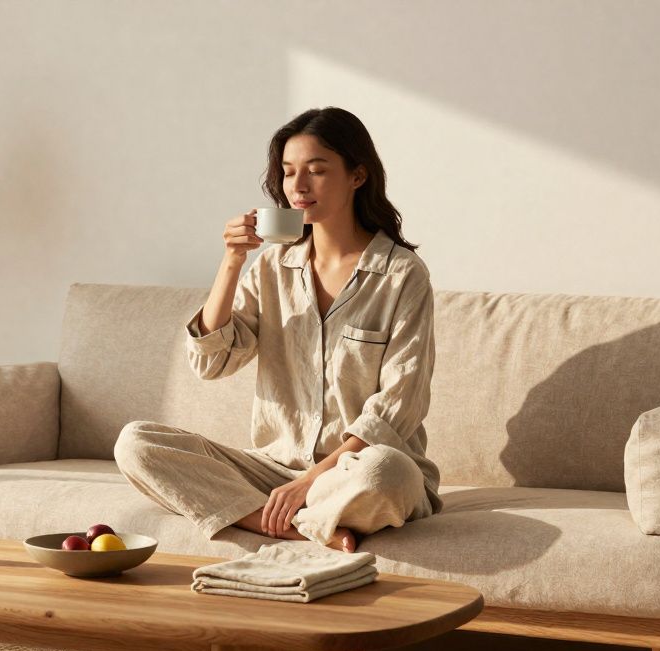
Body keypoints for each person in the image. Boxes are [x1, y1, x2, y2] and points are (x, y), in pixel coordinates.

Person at [114, 107, 442, 553]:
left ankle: (286, 511)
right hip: (274, 469)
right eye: (288, 173)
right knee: (136, 443)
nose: (298, 187)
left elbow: (399, 405)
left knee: (388, 472)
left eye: (317, 170)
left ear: (357, 176)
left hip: (354, 469)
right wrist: (232, 261)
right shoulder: (272, 266)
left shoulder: (402, 274)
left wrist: (311, 481)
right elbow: (211, 363)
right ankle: (285, 524)